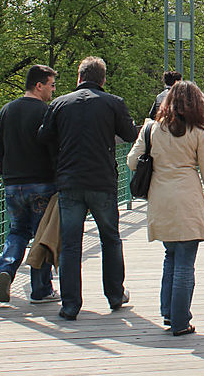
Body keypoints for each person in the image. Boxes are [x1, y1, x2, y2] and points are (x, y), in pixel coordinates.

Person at [127, 81, 204, 336]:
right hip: (187, 202)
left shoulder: (152, 129)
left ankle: (168, 313)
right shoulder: (198, 132)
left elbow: (131, 162)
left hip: (160, 201)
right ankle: (180, 321)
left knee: (170, 257)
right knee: (185, 263)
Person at [38, 56, 138, 321]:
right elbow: (129, 135)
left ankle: (70, 305)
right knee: (111, 239)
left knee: (70, 244)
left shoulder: (60, 104)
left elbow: (44, 136)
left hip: (69, 181)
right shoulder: (113, 103)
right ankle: (115, 295)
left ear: (79, 77)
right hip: (102, 181)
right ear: (103, 79)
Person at [0, 65, 60, 304]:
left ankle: (6, 270)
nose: (53, 90)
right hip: (42, 182)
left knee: (17, 231)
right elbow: (54, 148)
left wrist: (6, 173)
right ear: (39, 85)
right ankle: (41, 289)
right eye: (51, 85)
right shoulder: (46, 112)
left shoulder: (6, 111)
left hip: (13, 183)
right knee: (41, 235)